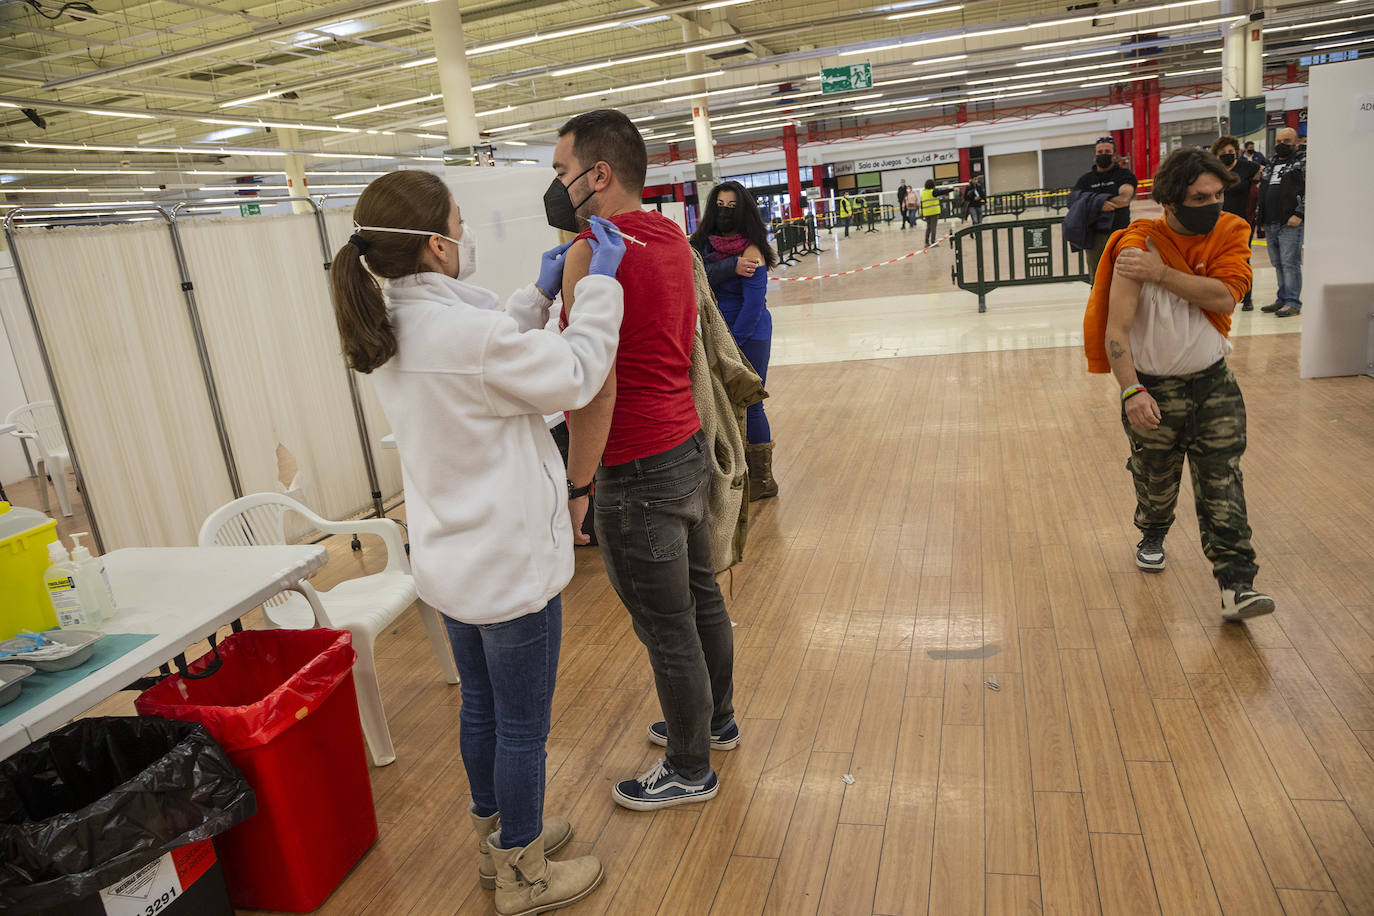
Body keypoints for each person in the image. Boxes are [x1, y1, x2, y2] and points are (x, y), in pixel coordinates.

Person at [331, 169, 627, 914]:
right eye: (459, 225)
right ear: (435, 246)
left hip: (452, 564)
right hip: (507, 563)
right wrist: (596, 290)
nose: (465, 237)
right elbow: (573, 375)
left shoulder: (391, 321)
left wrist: (533, 298)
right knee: (524, 726)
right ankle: (525, 874)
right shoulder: (465, 335)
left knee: (483, 714)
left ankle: (500, 841)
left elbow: (487, 367)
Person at [549, 109, 737, 812]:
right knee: (701, 598)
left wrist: (578, 483)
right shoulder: (669, 237)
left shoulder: (587, 256)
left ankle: (690, 768)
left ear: (599, 175)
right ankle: (714, 723)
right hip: (683, 443)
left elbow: (593, 386)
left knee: (667, 628)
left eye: (563, 172)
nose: (558, 186)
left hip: (634, 466)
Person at [1083, 147, 1274, 623]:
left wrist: (1163, 275)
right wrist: (1131, 391)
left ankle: (1237, 584)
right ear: (1170, 200)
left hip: (1213, 383)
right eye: (1198, 196)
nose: (1212, 204)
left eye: (1217, 194)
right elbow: (1117, 331)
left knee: (1221, 479)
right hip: (1153, 388)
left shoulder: (1231, 232)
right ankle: (1153, 530)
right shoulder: (1137, 246)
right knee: (1156, 479)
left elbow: (1226, 296)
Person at [691, 180, 780, 500]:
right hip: (713, 333)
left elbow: (754, 305)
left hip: (749, 336)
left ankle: (763, 480)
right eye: (720, 205)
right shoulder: (702, 245)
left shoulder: (752, 247)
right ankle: (731, 475)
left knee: (751, 405)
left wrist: (735, 346)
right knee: (717, 408)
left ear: (742, 211)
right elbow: (695, 277)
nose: (725, 212)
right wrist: (730, 266)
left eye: (732, 207)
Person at [1255, 127, 1306, 317]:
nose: (1281, 145)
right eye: (1278, 141)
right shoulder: (1270, 164)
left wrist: (1299, 213)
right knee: (1277, 262)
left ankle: (1293, 302)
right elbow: (1262, 192)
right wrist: (1260, 218)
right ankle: (1282, 299)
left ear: (1296, 143)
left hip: (1290, 221)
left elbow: (1310, 188)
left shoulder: (1303, 162)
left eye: (1286, 141)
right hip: (1270, 221)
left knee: (1289, 262)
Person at [1073, 137, 1138, 278]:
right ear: (1094, 156)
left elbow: (1124, 199)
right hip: (1094, 238)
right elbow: (1074, 202)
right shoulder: (1085, 180)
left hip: (1119, 235)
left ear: (1114, 156)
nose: (1103, 154)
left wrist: (1090, 203)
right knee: (1097, 281)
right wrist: (1099, 204)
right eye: (1100, 152)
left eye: (1107, 151)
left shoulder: (1124, 175)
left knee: (1123, 277)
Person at [1210, 134, 1260, 310]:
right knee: (1219, 259)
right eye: (1223, 152)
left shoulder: (1247, 168)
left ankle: (1247, 297)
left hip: (1242, 223)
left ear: (1237, 153)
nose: (1227, 154)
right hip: (1218, 223)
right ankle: (1224, 294)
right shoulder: (1214, 171)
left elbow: (1263, 176)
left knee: (1243, 259)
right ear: (1216, 154)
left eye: (1230, 151)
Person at [918, 178, 949, 247]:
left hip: (926, 213)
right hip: (934, 212)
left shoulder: (923, 193)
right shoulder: (933, 192)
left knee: (928, 227)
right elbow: (942, 192)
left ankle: (926, 242)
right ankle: (933, 242)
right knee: (933, 227)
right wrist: (951, 189)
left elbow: (922, 204)